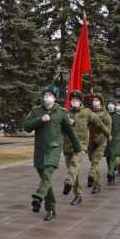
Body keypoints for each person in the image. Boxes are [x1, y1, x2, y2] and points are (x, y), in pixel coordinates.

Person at [24, 84, 81, 221]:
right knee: (45, 179)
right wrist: (40, 120)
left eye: (50, 95)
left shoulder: (62, 113)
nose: (47, 98)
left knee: (47, 174)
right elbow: (27, 127)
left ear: (55, 98)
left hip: (54, 149)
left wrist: (77, 148)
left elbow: (70, 132)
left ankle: (38, 197)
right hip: (39, 150)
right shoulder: (36, 111)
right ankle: (51, 208)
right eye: (45, 95)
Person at [63, 90, 111, 205]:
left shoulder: (86, 112)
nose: (74, 102)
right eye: (72, 100)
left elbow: (99, 123)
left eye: (76, 100)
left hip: (81, 146)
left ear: (80, 101)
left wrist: (108, 134)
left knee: (74, 166)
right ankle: (78, 195)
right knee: (73, 171)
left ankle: (68, 183)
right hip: (68, 146)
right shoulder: (65, 113)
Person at [87, 93, 112, 194]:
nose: (95, 101)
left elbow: (109, 128)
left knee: (95, 161)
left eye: (97, 100)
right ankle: (97, 185)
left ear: (101, 102)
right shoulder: (89, 112)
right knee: (93, 162)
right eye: (94, 100)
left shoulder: (105, 114)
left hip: (101, 141)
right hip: (91, 140)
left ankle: (91, 176)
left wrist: (108, 136)